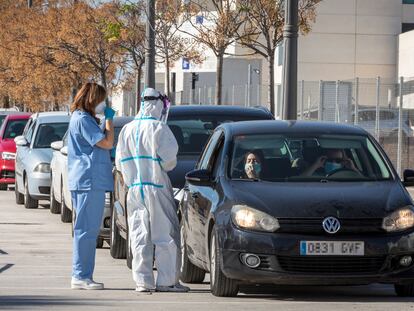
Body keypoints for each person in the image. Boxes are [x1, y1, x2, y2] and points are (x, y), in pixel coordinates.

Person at [115, 88, 189, 293]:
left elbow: (119, 163)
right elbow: (169, 162)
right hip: (156, 188)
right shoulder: (159, 128)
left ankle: (142, 281)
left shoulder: (127, 130)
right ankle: (166, 281)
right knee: (165, 234)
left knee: (139, 234)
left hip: (134, 190)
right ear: (157, 104)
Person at [68, 82, 116, 290]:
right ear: (93, 99)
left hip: (88, 180)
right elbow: (107, 143)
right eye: (101, 100)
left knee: (87, 230)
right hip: (88, 181)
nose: (103, 104)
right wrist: (110, 119)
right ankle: (80, 275)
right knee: (86, 230)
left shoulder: (83, 118)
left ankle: (83, 274)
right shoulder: (83, 120)